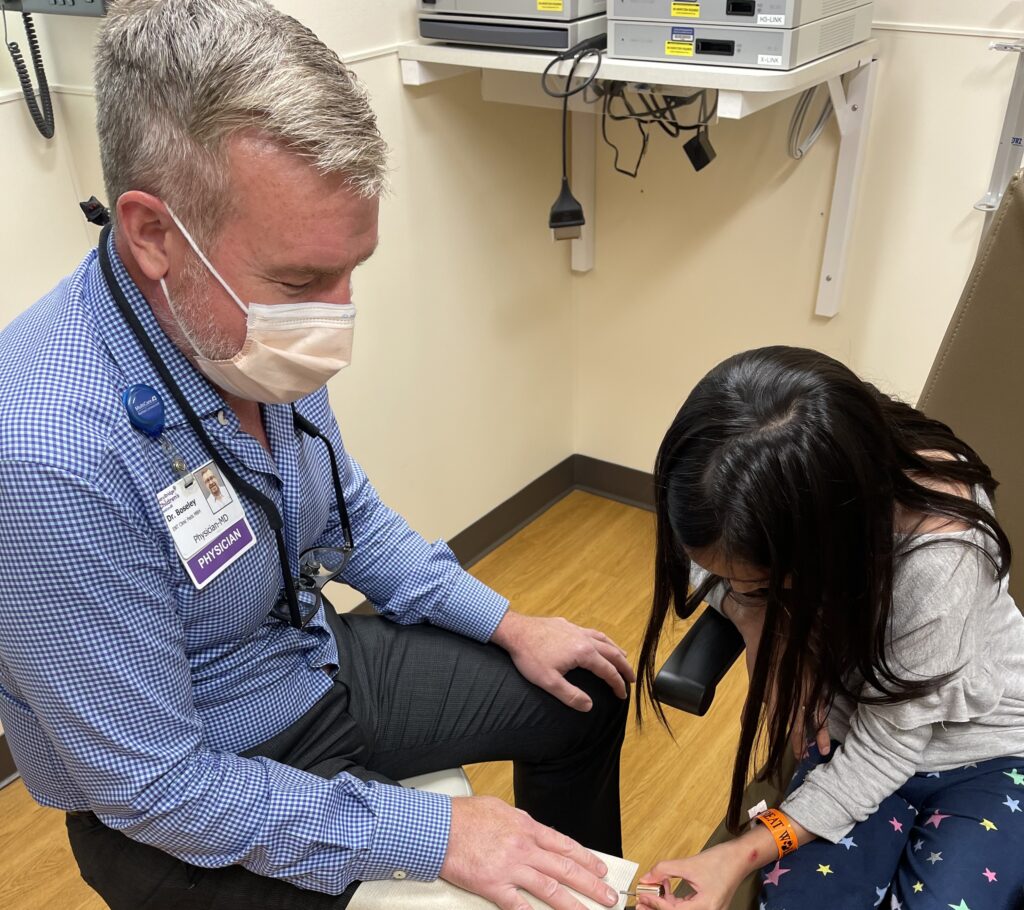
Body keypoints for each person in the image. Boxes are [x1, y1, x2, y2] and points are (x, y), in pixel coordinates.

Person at [0, 3, 634, 909]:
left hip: (307, 661)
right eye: (301, 282)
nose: (335, 316)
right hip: (187, 790)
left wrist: (507, 624)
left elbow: (347, 514)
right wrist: (436, 834)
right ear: (153, 236)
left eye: (351, 272)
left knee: (583, 694)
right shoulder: (45, 456)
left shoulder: (239, 328)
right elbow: (156, 787)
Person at [634, 347, 1024, 910]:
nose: (737, 586)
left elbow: (883, 755)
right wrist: (757, 618)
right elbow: (706, 559)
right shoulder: (755, 480)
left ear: (833, 548)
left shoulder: (944, 558)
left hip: (984, 753)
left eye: (767, 584)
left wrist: (736, 855)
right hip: (849, 733)